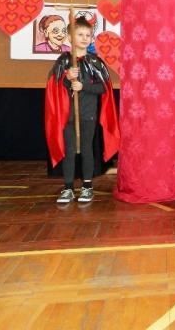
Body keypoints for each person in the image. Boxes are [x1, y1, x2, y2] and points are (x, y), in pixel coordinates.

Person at [45, 17, 120, 204]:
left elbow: (103, 88)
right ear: (70, 37)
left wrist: (83, 86)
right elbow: (54, 87)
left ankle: (87, 187)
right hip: (67, 116)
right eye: (80, 34)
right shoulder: (63, 61)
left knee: (87, 149)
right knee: (69, 151)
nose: (85, 38)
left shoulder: (95, 62)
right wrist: (67, 78)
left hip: (88, 115)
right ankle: (68, 188)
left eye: (88, 35)